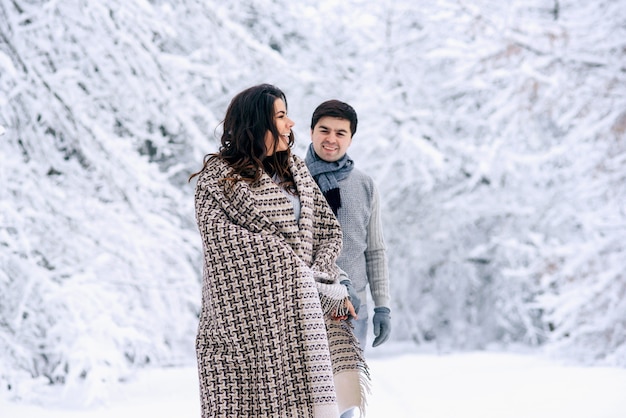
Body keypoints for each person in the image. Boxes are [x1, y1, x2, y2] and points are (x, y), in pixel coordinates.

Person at [189, 84, 369, 418]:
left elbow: (327, 232)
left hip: (310, 316)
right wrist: (308, 280)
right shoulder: (216, 182)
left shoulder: (296, 170)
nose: (291, 124)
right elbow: (228, 247)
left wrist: (326, 281)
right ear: (257, 125)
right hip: (248, 323)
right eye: (282, 116)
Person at [305, 99, 391, 352]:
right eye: (324, 130)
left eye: (340, 133)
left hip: (354, 312)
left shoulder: (365, 185)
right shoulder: (292, 180)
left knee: (349, 391)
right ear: (311, 132)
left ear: (350, 138)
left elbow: (374, 250)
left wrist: (382, 306)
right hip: (303, 306)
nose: (331, 139)